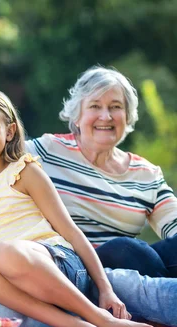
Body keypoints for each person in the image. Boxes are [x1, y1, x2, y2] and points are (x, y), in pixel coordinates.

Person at [0, 86, 155, 327]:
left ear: (10, 131)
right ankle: (76, 326)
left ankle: (98, 317)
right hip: (10, 282)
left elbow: (70, 231)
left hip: (56, 264)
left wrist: (105, 288)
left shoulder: (24, 170)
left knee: (6, 251)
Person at [26, 66, 177, 278]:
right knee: (125, 249)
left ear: (127, 116)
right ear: (77, 116)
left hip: (135, 270)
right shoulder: (46, 151)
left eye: (115, 107)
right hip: (76, 269)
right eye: (95, 106)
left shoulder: (146, 174)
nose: (106, 116)